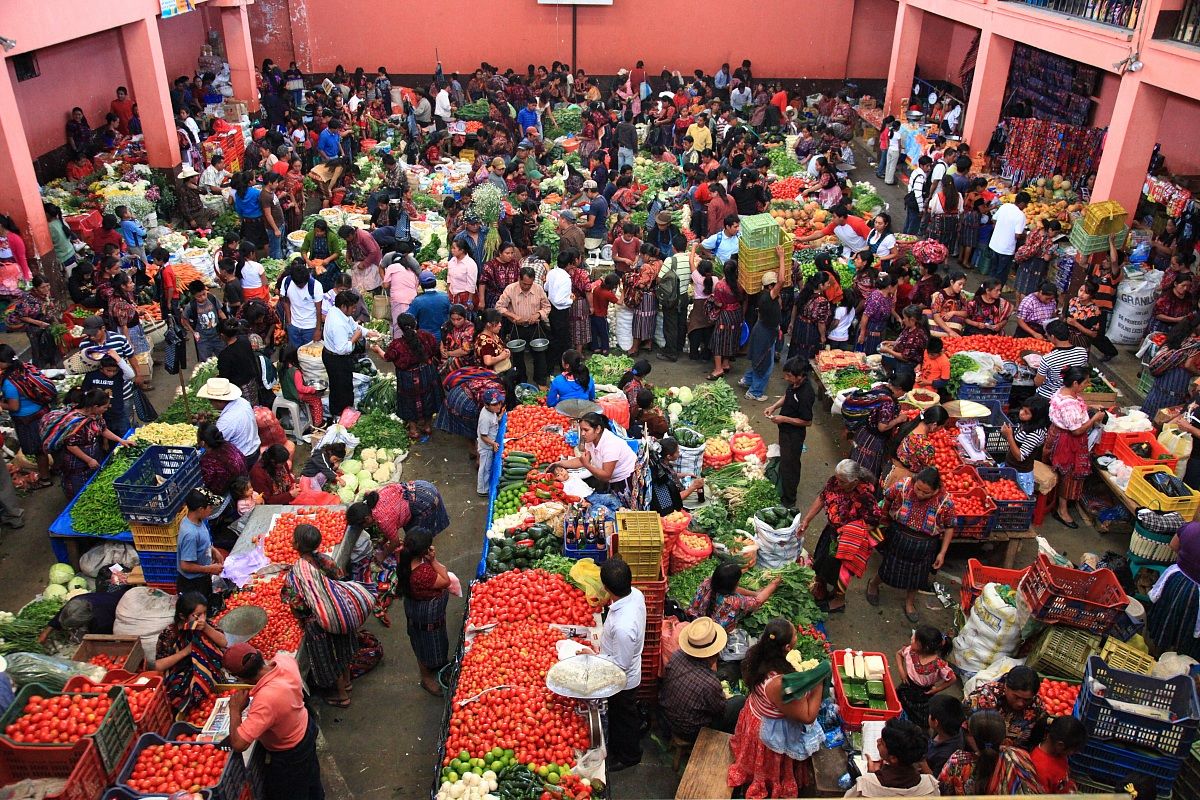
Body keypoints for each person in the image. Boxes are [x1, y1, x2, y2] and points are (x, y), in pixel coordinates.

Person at [726, 618, 827, 798]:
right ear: (787, 647)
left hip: (754, 714)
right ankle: (769, 786)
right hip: (768, 730)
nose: (797, 635)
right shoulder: (777, 683)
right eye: (795, 634)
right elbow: (807, 716)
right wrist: (818, 681)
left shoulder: (755, 654)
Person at [222, 642, 325, 800]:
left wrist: (235, 710)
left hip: (291, 752)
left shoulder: (265, 700)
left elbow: (238, 744)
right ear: (259, 655)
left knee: (293, 791)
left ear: (240, 678)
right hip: (305, 726)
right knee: (311, 778)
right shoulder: (284, 661)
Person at [283, 523, 360, 707]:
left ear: (296, 545)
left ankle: (342, 696)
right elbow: (340, 578)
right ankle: (348, 683)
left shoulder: (296, 574)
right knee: (342, 649)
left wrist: (310, 614)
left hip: (320, 622)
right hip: (339, 614)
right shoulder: (325, 561)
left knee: (331, 657)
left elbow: (297, 605)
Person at [866, 467, 956, 623]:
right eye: (918, 488)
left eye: (926, 492)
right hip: (899, 536)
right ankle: (873, 585)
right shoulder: (903, 486)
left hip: (925, 545)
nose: (920, 494)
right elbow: (887, 498)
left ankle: (909, 602)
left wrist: (942, 553)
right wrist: (883, 519)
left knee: (918, 577)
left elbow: (949, 527)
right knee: (889, 566)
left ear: (936, 490)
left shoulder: (945, 502)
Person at [798, 459, 879, 614]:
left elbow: (874, 522)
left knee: (840, 573)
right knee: (822, 561)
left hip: (848, 542)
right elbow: (822, 497)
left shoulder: (865, 497)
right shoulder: (835, 482)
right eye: (837, 478)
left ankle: (838, 601)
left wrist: (849, 532)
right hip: (831, 533)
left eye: (842, 481)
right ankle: (821, 587)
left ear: (854, 481)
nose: (838, 483)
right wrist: (807, 520)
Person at [590, 558, 645, 771]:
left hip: (623, 679)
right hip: (623, 664)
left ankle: (629, 756)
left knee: (624, 718)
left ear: (606, 587)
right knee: (623, 715)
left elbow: (620, 664)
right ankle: (624, 743)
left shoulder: (624, 626)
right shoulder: (636, 595)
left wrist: (593, 657)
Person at [660, 617, 744, 741]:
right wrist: (725, 696)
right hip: (690, 731)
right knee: (739, 701)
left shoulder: (677, 655)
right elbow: (719, 710)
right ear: (713, 654)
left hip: (668, 716)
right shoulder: (709, 683)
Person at [1045, 365, 1107, 528]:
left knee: (1063, 473)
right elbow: (1077, 430)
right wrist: (1094, 419)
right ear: (1075, 383)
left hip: (1058, 435)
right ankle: (1062, 510)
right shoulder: (1069, 404)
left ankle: (1060, 503)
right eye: (1085, 382)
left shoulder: (1064, 392)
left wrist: (1089, 408)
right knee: (1069, 474)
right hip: (1068, 442)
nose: (1087, 385)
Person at [395, 528, 452, 697]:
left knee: (423, 641)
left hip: (416, 608)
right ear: (424, 551)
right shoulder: (423, 573)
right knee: (426, 645)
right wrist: (433, 561)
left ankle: (436, 665)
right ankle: (427, 679)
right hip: (426, 615)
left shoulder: (405, 560)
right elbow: (446, 581)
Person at [154, 591, 228, 714]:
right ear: (183, 616)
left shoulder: (206, 624)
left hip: (207, 669)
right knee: (181, 694)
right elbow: (159, 665)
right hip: (180, 674)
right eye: (197, 615)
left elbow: (223, 642)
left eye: (205, 613)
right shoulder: (170, 634)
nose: (202, 618)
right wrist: (185, 652)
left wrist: (206, 628)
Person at [939, 710, 1041, 795]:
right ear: (1003, 737)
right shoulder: (1018, 757)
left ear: (972, 737)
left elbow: (942, 791)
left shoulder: (957, 762)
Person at [55, 388, 134, 497]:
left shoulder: (95, 416)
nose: (107, 409)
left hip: (93, 454)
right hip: (76, 462)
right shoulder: (75, 422)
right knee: (79, 490)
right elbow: (71, 446)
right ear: (96, 406)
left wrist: (121, 440)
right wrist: (89, 460)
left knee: (95, 483)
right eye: (105, 407)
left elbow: (103, 430)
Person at [0, 344, 56, 488]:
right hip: (43, 412)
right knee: (49, 444)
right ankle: (57, 469)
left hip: (28, 420)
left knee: (39, 451)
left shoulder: (9, 382)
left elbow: (14, 406)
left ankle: (45, 479)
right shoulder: (24, 368)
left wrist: (1, 404)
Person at [381, 313, 442, 441]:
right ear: (415, 323)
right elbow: (435, 349)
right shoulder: (426, 336)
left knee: (409, 401)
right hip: (426, 373)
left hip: (408, 377)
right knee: (428, 397)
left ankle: (413, 430)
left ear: (400, 327)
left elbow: (387, 357)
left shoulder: (397, 345)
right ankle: (427, 426)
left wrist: (377, 349)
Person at [844, 717, 939, 797]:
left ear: (893, 758)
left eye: (882, 742)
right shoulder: (930, 785)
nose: (878, 741)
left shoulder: (865, 785)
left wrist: (870, 775)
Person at [1147, 522, 1200, 660]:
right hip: (1195, 594)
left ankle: (1156, 651)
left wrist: (1186, 558)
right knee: (1185, 627)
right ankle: (1178, 658)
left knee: (1167, 615)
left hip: (1175, 580)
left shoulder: (1191, 528)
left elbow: (1173, 545)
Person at [553, 412, 638, 497]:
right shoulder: (591, 440)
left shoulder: (610, 445)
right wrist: (559, 464)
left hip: (626, 478)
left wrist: (587, 465)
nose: (582, 434)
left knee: (625, 508)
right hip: (612, 479)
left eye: (586, 430)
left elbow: (606, 475)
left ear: (597, 429)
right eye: (581, 429)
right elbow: (582, 460)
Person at [963, 665, 1047, 751]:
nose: (1020, 704)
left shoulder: (1037, 707)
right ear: (1006, 686)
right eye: (1016, 697)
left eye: (1027, 700)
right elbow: (966, 730)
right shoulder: (984, 698)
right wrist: (984, 756)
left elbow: (1035, 740)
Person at [850, 366, 912, 478]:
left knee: (856, 460)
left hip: (863, 431)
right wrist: (899, 419)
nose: (903, 395)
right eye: (904, 392)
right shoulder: (888, 402)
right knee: (865, 467)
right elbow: (882, 427)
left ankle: (852, 479)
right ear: (899, 388)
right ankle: (861, 486)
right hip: (872, 439)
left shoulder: (880, 387)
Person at [686, 560, 780, 632]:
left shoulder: (707, 582)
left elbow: (734, 589)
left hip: (695, 620)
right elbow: (758, 601)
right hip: (714, 632)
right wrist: (774, 584)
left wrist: (754, 593)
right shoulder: (733, 602)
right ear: (735, 583)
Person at [893, 624, 955, 729]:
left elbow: (952, 678)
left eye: (914, 639)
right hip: (906, 686)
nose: (911, 639)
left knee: (919, 719)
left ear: (924, 647)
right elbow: (898, 654)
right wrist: (901, 671)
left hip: (923, 694)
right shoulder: (910, 651)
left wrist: (937, 689)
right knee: (898, 703)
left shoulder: (939, 664)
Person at [496, 266, 550, 386]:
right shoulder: (510, 289)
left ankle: (540, 381)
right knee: (517, 357)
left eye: (529, 285)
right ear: (519, 279)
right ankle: (521, 382)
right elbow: (499, 307)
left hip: (534, 327)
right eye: (524, 284)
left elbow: (547, 307)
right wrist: (512, 316)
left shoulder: (538, 289)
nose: (526, 287)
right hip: (517, 327)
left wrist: (538, 314)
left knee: (540, 355)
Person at [322, 290, 372, 418]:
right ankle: (342, 416)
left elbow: (353, 325)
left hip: (333, 355)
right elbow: (342, 349)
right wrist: (356, 337)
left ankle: (341, 413)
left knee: (340, 386)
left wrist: (368, 332)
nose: (355, 310)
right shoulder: (338, 324)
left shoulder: (338, 312)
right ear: (344, 306)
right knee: (342, 389)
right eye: (353, 307)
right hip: (336, 359)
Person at [196, 377, 261, 469]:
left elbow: (215, 443)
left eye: (211, 401)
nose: (211, 404)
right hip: (254, 448)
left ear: (218, 402)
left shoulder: (226, 422)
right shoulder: (243, 402)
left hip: (244, 456)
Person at [175, 488, 224, 599]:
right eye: (210, 507)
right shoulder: (190, 534)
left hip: (202, 577)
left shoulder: (198, 520)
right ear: (201, 509)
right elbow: (185, 566)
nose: (212, 510)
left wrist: (213, 549)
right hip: (193, 584)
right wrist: (209, 569)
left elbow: (202, 542)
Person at [886, 406, 951, 489]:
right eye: (941, 427)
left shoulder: (908, 425)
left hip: (890, 470)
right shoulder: (925, 446)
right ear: (934, 425)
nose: (940, 429)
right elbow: (928, 472)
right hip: (903, 480)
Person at [1000, 395, 1050, 496]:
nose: (1021, 412)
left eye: (1026, 412)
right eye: (1022, 409)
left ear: (1036, 416)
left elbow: (1020, 456)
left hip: (1020, 473)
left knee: (1014, 499)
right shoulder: (1025, 423)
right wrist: (1006, 434)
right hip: (1010, 466)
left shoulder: (1036, 433)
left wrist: (1009, 436)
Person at [708, 258, 743, 380]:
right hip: (736, 314)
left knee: (718, 340)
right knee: (731, 338)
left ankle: (718, 369)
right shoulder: (740, 284)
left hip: (725, 315)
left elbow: (718, 303)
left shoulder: (720, 286)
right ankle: (726, 363)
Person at [1030, 716, 1086, 794]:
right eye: (1073, 750)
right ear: (1060, 745)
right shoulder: (1040, 769)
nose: (1074, 753)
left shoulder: (1059, 753)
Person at [1067, 280, 1118, 361]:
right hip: (1067, 338)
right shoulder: (1073, 301)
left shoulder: (1094, 311)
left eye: (1086, 293)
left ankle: (1110, 352)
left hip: (1081, 341)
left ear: (1091, 295)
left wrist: (1076, 324)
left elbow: (1093, 334)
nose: (1081, 294)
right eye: (1081, 290)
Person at [215, 319, 263, 405]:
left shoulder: (225, 355)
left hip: (239, 388)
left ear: (222, 335)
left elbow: (224, 377)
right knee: (254, 408)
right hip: (252, 382)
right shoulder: (244, 340)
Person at [988, 191, 1030, 287]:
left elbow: (994, 219)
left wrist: (1000, 227)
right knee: (1001, 274)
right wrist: (1026, 234)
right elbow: (1018, 235)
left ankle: (988, 289)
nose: (1026, 207)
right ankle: (995, 292)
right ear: (1022, 203)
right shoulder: (1020, 215)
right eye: (1026, 204)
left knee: (993, 270)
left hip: (994, 244)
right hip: (1006, 249)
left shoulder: (1005, 206)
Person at [279, 262, 324, 347]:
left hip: (310, 328)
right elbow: (285, 301)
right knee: (294, 353)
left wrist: (318, 330)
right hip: (293, 327)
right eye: (298, 284)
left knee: (308, 353)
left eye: (303, 284)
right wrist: (289, 322)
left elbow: (319, 310)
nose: (301, 286)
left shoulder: (316, 286)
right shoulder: (287, 281)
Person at [925, 694, 965, 777]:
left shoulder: (945, 755)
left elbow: (935, 779)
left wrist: (922, 762)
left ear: (935, 722)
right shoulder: (951, 728)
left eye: (930, 714)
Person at [475, 389, 505, 497]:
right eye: (495, 405)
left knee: (487, 466)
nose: (498, 406)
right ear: (486, 405)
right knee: (485, 468)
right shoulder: (485, 418)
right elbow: (483, 436)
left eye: (499, 403)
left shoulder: (492, 412)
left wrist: (500, 417)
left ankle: (484, 486)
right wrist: (493, 444)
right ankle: (482, 490)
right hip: (486, 447)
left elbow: (494, 422)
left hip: (490, 445)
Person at [410, 270, 451, 339]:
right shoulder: (445, 297)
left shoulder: (417, 301)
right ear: (435, 283)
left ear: (421, 285)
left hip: (425, 338)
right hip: (443, 336)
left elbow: (409, 318)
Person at [928, 271, 969, 338]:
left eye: (963, 285)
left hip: (952, 329)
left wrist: (953, 312)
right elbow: (936, 317)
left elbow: (967, 313)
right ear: (952, 282)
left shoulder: (962, 296)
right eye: (960, 284)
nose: (961, 287)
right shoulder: (939, 295)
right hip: (940, 327)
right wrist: (950, 331)